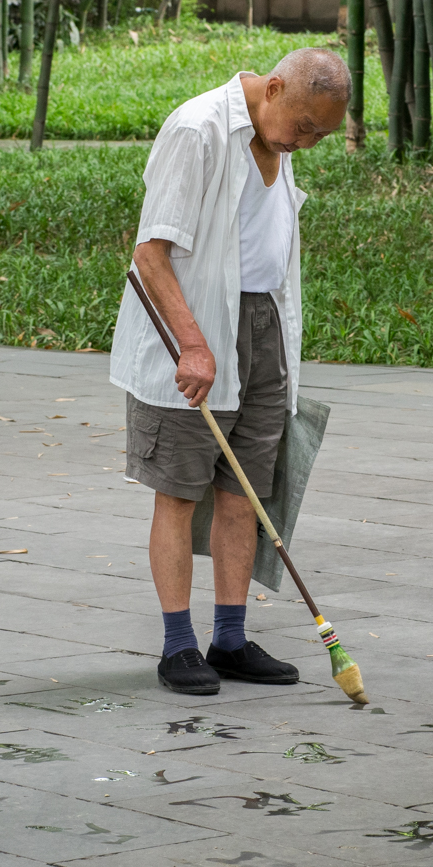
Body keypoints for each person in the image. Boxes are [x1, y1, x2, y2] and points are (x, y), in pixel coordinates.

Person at [109, 49, 349, 695]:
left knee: (245, 487)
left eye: (318, 136)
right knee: (179, 487)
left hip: (262, 328)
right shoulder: (198, 131)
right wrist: (193, 344)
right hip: (193, 325)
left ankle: (231, 638)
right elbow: (150, 253)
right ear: (272, 89)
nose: (306, 142)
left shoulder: (281, 133)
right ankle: (178, 644)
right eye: (303, 126)